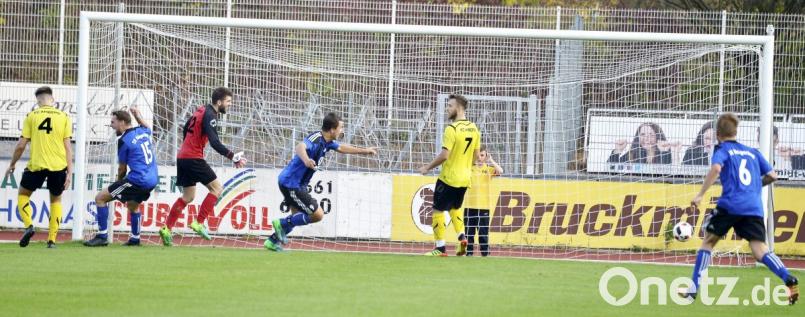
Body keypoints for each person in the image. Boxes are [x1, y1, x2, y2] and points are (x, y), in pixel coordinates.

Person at [682, 113, 798, 305]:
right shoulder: (753, 152)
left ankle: (693, 289)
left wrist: (701, 194)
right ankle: (787, 277)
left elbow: (716, 169)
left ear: (718, 134)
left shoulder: (722, 150)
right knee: (760, 250)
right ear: (735, 132)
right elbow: (772, 175)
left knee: (708, 242)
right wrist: (753, 187)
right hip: (753, 207)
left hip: (730, 204)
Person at [264, 112, 377, 251]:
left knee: (296, 216)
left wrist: (365, 151)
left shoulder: (328, 142)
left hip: (295, 183)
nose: (342, 131)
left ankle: (272, 241)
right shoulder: (316, 138)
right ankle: (280, 223)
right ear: (332, 129)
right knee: (317, 215)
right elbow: (300, 147)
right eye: (341, 128)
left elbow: (341, 148)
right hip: (291, 183)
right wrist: (306, 160)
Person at [159, 87, 247, 246]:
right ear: (219, 102)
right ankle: (199, 222)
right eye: (228, 102)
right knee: (217, 189)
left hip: (182, 157)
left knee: (188, 197)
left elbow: (186, 128)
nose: (230, 105)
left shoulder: (200, 110)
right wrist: (232, 156)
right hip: (193, 158)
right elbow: (214, 142)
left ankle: (167, 228)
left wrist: (190, 144)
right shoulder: (211, 115)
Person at [5, 86, 73, 249]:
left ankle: (29, 225)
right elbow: (68, 147)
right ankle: (51, 241)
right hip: (58, 167)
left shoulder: (31, 116)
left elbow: (21, 145)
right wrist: (69, 171)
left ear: (38, 101)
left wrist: (12, 164)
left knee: (23, 194)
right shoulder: (64, 116)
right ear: (52, 99)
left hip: (36, 166)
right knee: (56, 200)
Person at [84, 106, 158, 247]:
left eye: (113, 122)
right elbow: (147, 126)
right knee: (132, 204)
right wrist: (137, 115)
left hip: (138, 180)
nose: (112, 126)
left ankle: (102, 236)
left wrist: (118, 184)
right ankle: (135, 239)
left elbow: (122, 168)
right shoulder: (142, 131)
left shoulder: (124, 140)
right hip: (152, 179)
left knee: (100, 198)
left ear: (122, 122)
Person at [418, 94, 480, 257]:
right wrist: (466, 165)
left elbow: (445, 155)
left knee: (437, 211)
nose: (447, 108)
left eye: (450, 106)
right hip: (465, 179)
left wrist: (427, 167)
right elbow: (476, 156)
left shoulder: (451, 129)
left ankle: (440, 248)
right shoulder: (474, 128)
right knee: (455, 208)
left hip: (449, 177)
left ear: (458, 108)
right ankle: (462, 238)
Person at [463, 145, 502, 257]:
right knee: (468, 233)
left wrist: (491, 160)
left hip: (484, 207)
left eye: (482, 155)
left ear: (486, 156)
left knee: (483, 233)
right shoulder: (469, 168)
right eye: (477, 155)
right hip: (469, 206)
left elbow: (501, 171)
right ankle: (468, 253)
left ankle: (485, 254)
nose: (480, 157)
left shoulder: (488, 169)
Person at [608, 122, 678, 165]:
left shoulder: (666, 154)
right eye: (643, 134)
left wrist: (665, 152)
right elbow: (610, 169)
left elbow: (669, 174)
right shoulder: (631, 155)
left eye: (651, 135)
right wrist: (617, 151)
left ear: (658, 137)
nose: (646, 138)